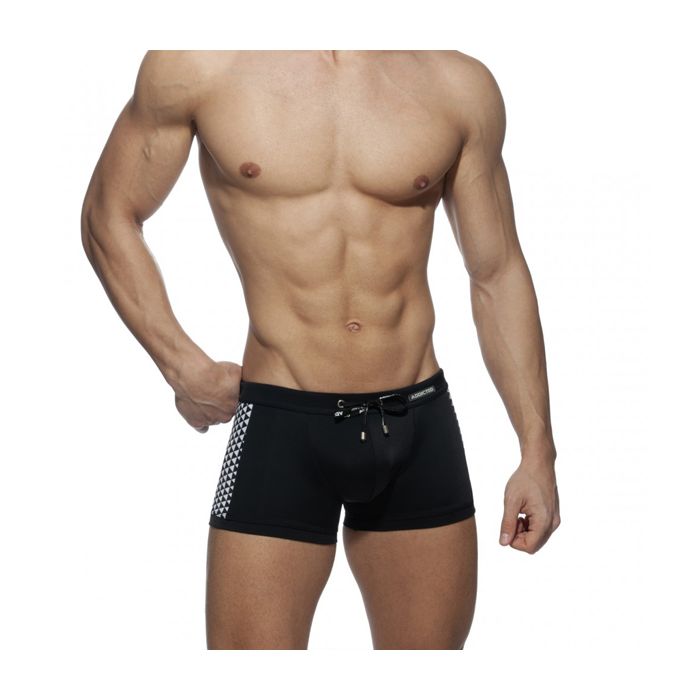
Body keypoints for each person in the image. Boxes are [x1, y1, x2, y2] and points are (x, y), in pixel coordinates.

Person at [81, 50, 560, 650]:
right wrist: (183, 367)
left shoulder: (456, 82)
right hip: (281, 423)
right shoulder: (199, 64)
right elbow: (108, 214)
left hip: (418, 423)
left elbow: (497, 271)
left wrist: (537, 451)